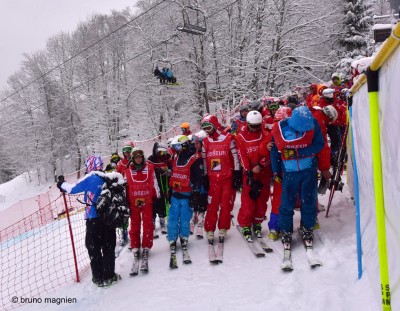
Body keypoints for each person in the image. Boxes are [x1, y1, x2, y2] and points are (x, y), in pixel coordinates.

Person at [57, 155, 122, 287]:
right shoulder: (107, 177)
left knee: (94, 248)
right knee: (108, 247)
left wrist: (61, 183)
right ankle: (109, 276)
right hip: (108, 219)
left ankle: (98, 277)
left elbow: (72, 189)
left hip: (93, 219)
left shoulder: (90, 177)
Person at [270, 106, 325, 251]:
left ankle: (307, 227)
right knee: (286, 203)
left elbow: (320, 144)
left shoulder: (313, 124)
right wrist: (275, 172)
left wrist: (299, 153)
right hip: (289, 172)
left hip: (309, 171)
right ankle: (286, 229)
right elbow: (275, 151)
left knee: (309, 201)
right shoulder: (280, 128)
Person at [201, 114, 241, 246]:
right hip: (213, 180)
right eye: (204, 128)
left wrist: (236, 173)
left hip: (226, 178)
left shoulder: (228, 138)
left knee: (225, 204)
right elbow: (204, 160)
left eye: (209, 127)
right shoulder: (205, 142)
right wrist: (205, 176)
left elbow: (235, 157)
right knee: (212, 205)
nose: (207, 130)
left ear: (215, 125)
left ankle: (223, 227)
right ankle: (209, 228)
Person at [235, 111, 272, 241]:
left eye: (257, 126)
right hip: (250, 174)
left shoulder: (266, 135)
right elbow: (242, 155)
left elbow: (269, 154)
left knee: (262, 200)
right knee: (248, 201)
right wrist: (249, 170)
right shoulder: (241, 137)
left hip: (264, 172)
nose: (255, 128)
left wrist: (261, 166)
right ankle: (245, 224)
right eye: (252, 126)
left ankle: (257, 223)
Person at [168, 135, 203, 266]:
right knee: (172, 218)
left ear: (184, 145)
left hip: (187, 195)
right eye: (174, 147)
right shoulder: (176, 158)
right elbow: (174, 173)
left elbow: (198, 177)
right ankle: (172, 239)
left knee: (184, 218)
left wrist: (195, 193)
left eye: (178, 146)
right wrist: (170, 191)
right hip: (175, 194)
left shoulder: (194, 158)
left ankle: (184, 237)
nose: (176, 149)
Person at [125, 147, 160, 275]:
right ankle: (135, 247)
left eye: (140, 157)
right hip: (133, 202)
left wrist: (157, 196)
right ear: (133, 159)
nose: (139, 159)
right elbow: (125, 186)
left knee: (148, 224)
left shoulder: (149, 168)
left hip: (147, 200)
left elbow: (154, 182)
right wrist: (125, 201)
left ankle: (146, 246)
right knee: (134, 225)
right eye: (136, 157)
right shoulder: (128, 171)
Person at [147, 142, 171, 236]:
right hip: (153, 186)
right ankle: (152, 223)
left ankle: (162, 222)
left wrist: (169, 172)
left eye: (163, 152)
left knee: (162, 203)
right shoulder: (151, 160)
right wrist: (158, 171)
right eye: (160, 152)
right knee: (152, 205)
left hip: (164, 185)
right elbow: (148, 170)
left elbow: (171, 168)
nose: (162, 155)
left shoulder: (167, 159)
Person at [189, 130, 208, 237]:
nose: (196, 145)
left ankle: (200, 222)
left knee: (202, 202)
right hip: (195, 182)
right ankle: (193, 219)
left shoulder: (206, 154)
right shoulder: (193, 155)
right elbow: (190, 169)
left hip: (204, 183)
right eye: (194, 143)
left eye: (198, 143)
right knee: (194, 201)